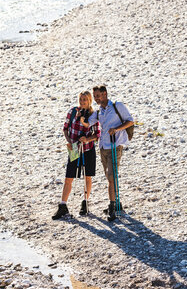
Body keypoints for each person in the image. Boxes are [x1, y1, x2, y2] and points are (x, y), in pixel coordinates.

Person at [87, 85, 134, 221]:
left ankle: (112, 206)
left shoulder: (117, 106)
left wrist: (116, 129)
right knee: (109, 177)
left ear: (105, 94)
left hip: (115, 145)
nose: (96, 98)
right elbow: (88, 124)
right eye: (94, 96)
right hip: (103, 146)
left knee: (112, 177)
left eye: (98, 95)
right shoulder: (99, 112)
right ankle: (116, 203)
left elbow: (130, 121)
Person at [52, 91, 100, 220]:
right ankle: (63, 205)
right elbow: (65, 128)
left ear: (89, 101)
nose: (82, 101)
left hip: (88, 149)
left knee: (87, 177)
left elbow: (97, 134)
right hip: (74, 148)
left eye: (85, 99)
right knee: (69, 176)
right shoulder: (73, 111)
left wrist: (88, 139)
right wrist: (69, 141)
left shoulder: (94, 114)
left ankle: (85, 202)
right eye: (81, 99)